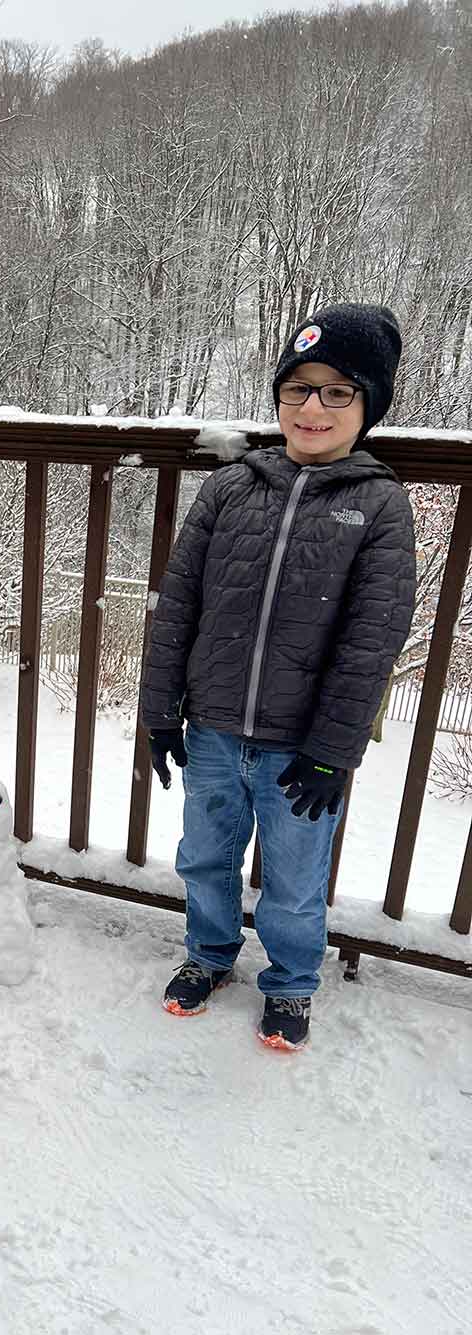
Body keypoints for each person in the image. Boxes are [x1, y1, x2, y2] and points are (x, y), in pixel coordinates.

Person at [140, 304, 416, 1051]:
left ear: (368, 406)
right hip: (216, 729)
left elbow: (372, 639)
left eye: (337, 392)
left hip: (304, 748)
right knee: (205, 854)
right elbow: (178, 604)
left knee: (294, 881)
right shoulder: (232, 488)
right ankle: (209, 955)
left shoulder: (379, 504)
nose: (313, 408)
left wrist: (334, 749)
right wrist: (162, 709)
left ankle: (292, 983)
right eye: (298, 388)